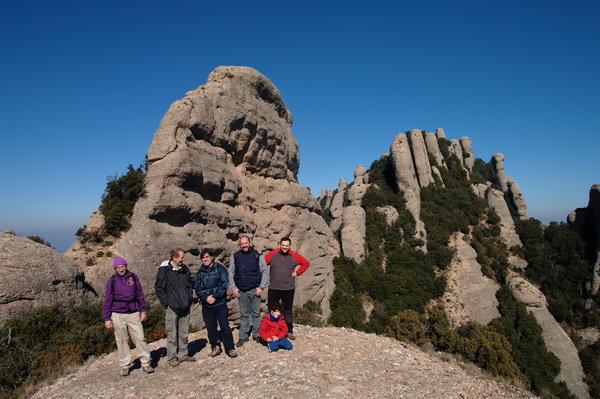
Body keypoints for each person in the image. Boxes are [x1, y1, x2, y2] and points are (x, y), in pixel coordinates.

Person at [103, 257, 154, 376]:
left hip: (133, 313)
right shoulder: (112, 280)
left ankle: (146, 362)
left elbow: (140, 294)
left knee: (140, 338)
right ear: (115, 269)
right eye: (118, 268)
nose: (121, 269)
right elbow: (108, 299)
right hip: (117, 314)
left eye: (122, 267)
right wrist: (107, 318)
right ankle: (124, 365)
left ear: (126, 266)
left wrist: (143, 310)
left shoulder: (133, 277)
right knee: (122, 341)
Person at [155, 248, 195, 367]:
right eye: (181, 257)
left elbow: (189, 284)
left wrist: (189, 298)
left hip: (184, 305)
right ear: (174, 258)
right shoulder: (164, 270)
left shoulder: (184, 269)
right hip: (172, 306)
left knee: (183, 332)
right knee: (172, 333)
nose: (183, 259)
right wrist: (166, 303)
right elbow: (159, 288)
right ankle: (172, 357)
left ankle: (183, 354)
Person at [263, 237, 310, 340]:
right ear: (280, 244)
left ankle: (289, 331)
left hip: (288, 288)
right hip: (274, 288)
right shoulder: (273, 254)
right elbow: (262, 262)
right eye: (283, 245)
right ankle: (271, 331)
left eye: (287, 245)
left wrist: (297, 272)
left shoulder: (294, 256)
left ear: (290, 246)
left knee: (287, 310)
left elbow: (306, 263)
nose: (284, 247)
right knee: (272, 310)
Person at [194, 249, 238, 358]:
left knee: (224, 325)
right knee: (211, 327)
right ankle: (215, 346)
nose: (205, 259)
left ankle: (230, 347)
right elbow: (197, 287)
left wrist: (214, 297)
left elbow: (224, 285)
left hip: (220, 303)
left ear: (212, 257)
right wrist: (205, 298)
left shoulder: (220, 269)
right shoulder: (200, 272)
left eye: (207, 257)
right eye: (203, 257)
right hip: (207, 304)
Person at [229, 235, 269, 346]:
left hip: (254, 290)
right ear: (240, 245)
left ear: (250, 243)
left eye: (245, 243)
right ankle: (243, 336)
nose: (244, 245)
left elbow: (264, 271)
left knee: (256, 313)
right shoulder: (235, 256)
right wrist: (233, 288)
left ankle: (257, 334)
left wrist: (261, 287)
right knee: (244, 314)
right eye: (242, 244)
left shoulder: (257, 255)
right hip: (241, 290)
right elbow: (231, 272)